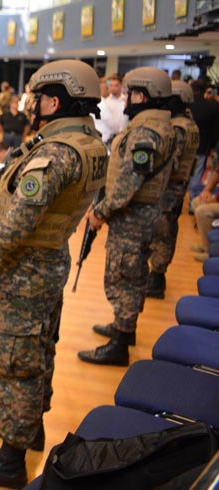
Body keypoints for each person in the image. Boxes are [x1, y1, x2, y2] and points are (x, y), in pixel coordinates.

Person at [0, 60, 107, 488]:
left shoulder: (55, 154)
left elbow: (16, 226)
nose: (30, 106)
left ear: (54, 102)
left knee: (16, 363)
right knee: (38, 352)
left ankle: (10, 459)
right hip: (49, 263)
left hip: (26, 272)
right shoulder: (88, 143)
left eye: (36, 99)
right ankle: (28, 427)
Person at [78, 67, 175, 367]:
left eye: (131, 93)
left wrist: (101, 211)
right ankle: (124, 329)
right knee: (132, 274)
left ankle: (119, 344)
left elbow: (130, 180)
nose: (126, 98)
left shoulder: (146, 132)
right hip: (141, 214)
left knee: (124, 276)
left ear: (143, 95)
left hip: (134, 217)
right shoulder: (157, 126)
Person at [147, 81, 200, 297]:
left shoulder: (177, 127)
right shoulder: (190, 124)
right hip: (180, 185)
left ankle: (156, 278)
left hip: (169, 187)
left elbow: (171, 162)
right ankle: (157, 276)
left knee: (163, 231)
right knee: (168, 228)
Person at [187, 79, 219, 212]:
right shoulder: (212, 106)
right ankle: (192, 204)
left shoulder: (186, 105)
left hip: (185, 145)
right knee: (196, 175)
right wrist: (212, 146)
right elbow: (215, 129)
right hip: (202, 145)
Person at [100, 74, 128, 143]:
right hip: (110, 137)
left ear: (121, 86)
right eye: (111, 85)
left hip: (124, 136)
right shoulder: (106, 102)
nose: (113, 88)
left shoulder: (126, 101)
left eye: (116, 85)